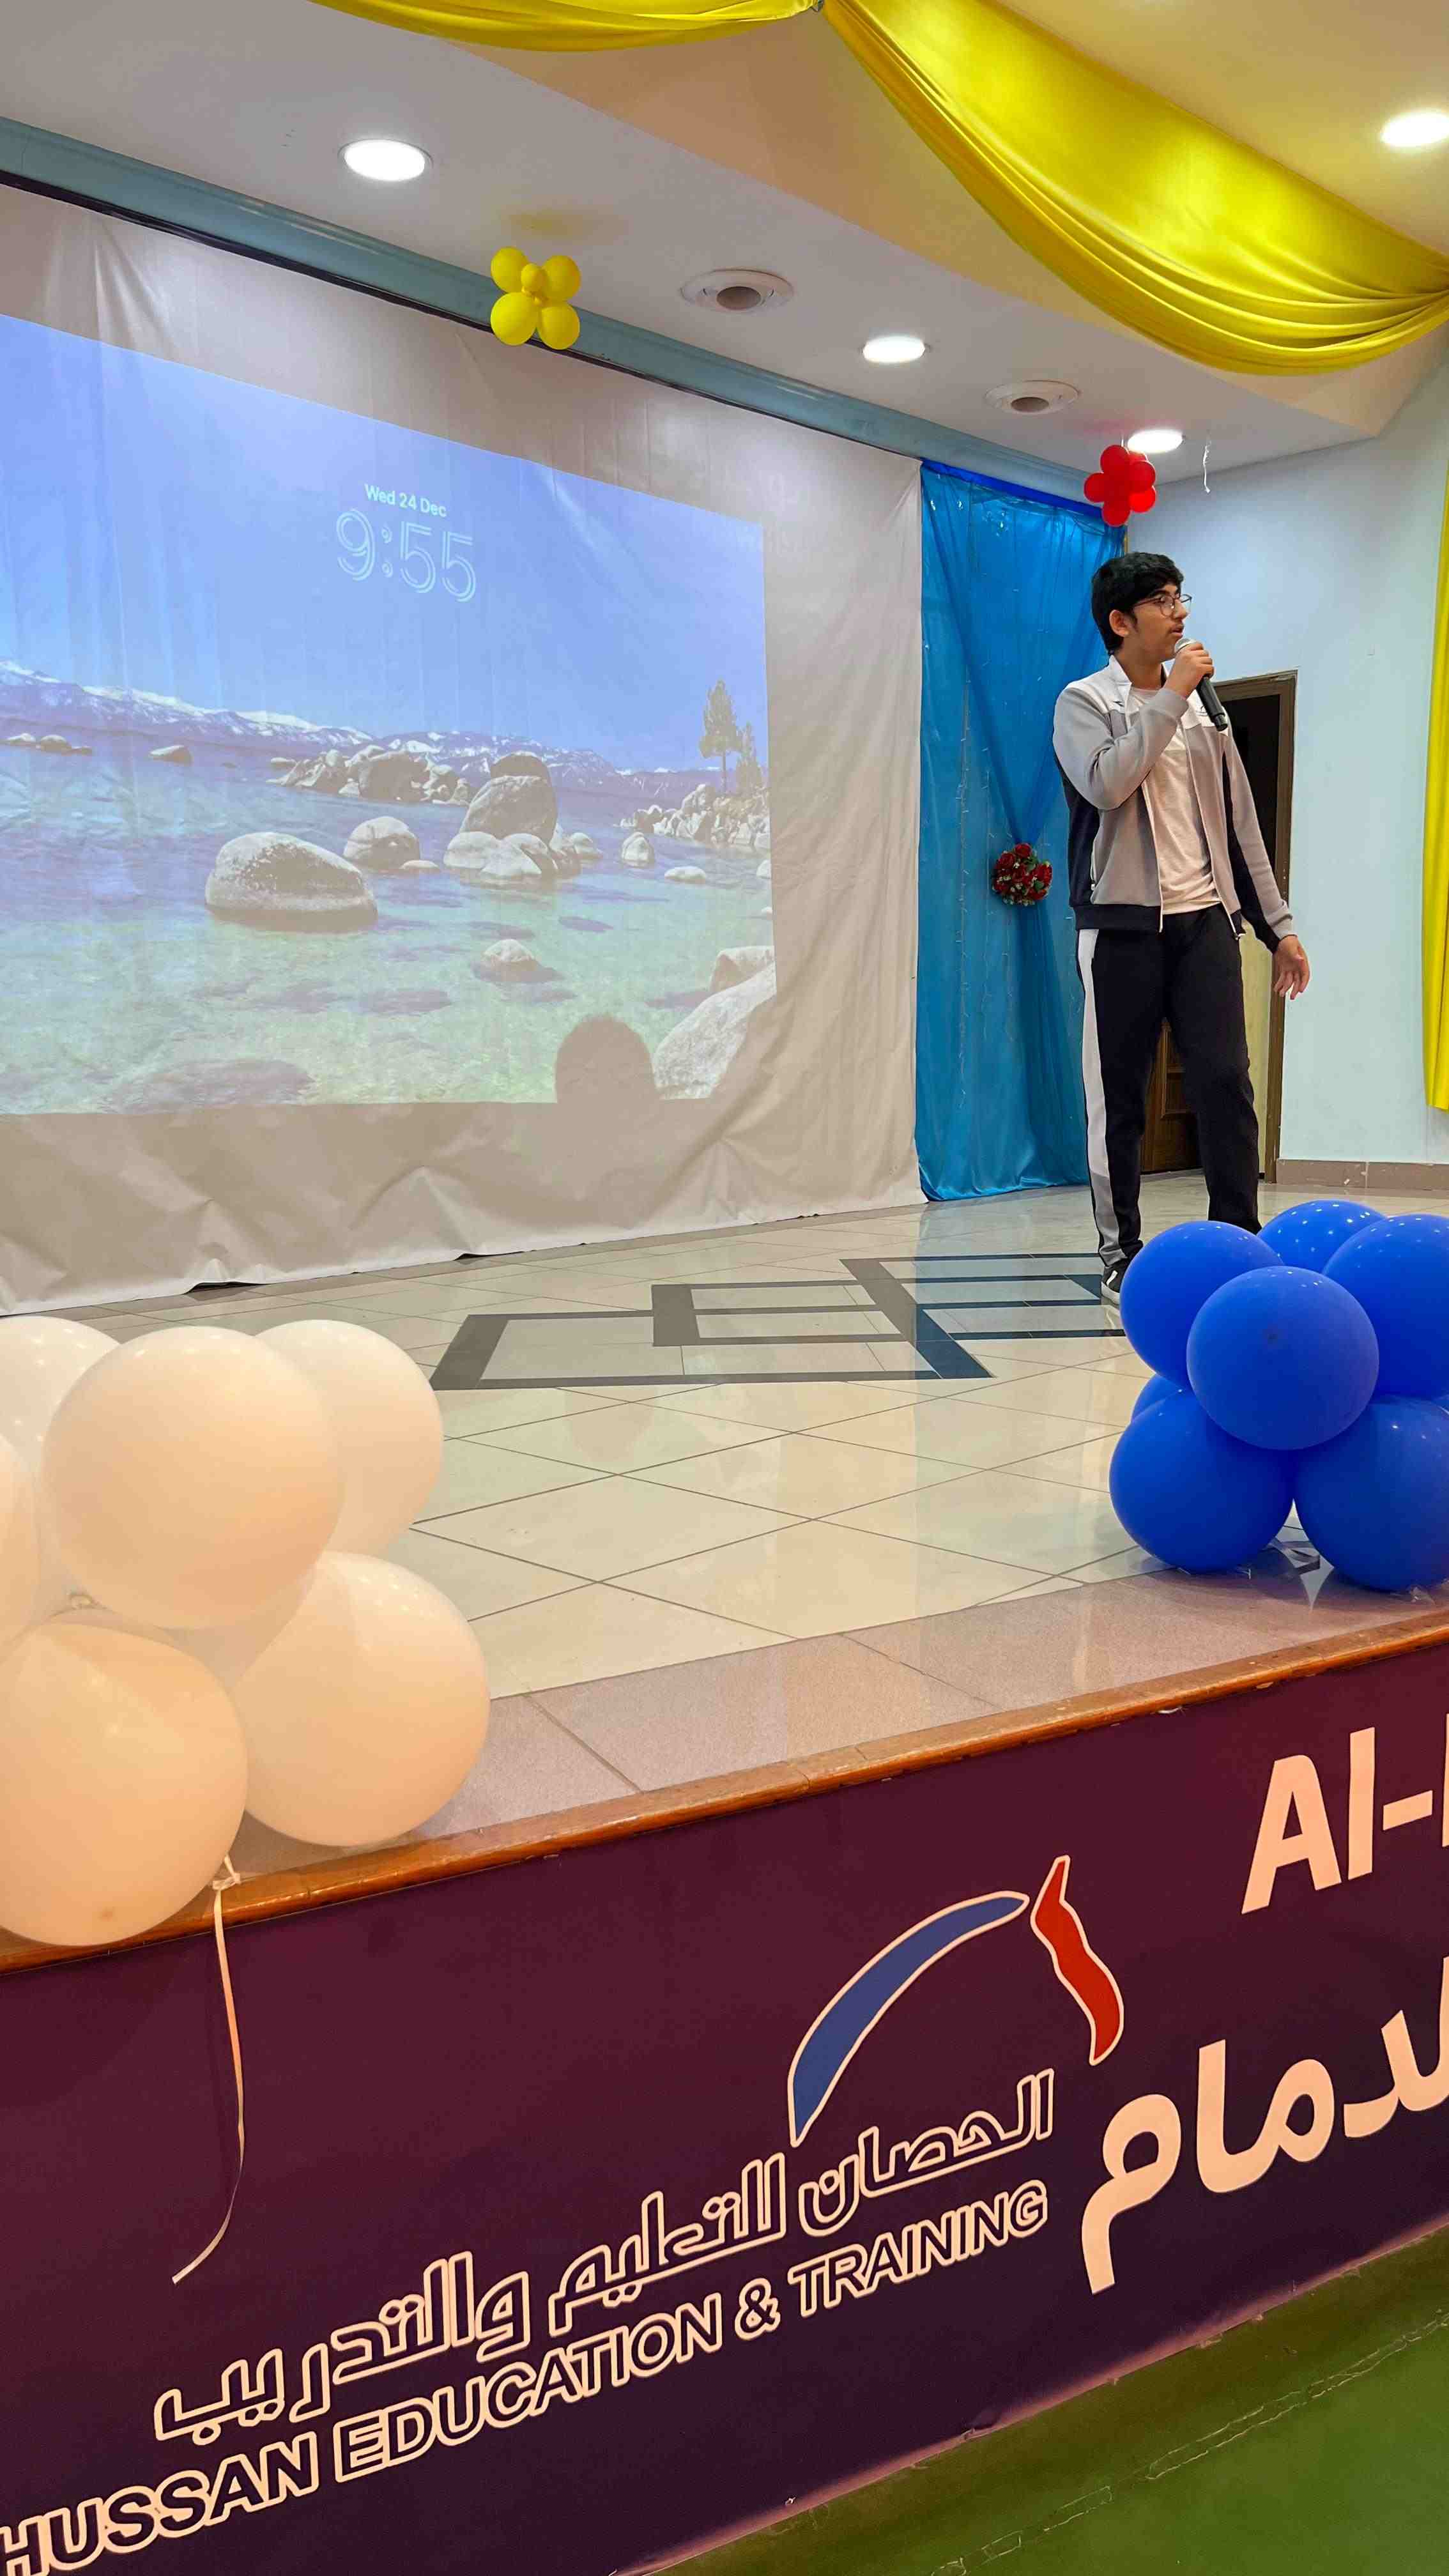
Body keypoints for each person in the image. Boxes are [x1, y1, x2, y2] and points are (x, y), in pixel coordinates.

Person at [1053, 554, 1310, 1319]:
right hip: (1121, 927)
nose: (1181, 613)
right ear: (1120, 621)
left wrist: (1279, 926)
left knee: (1226, 1082)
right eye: (1163, 602)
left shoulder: (1204, 711)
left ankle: (1239, 1241)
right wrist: (1171, 696)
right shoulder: (1084, 701)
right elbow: (1108, 783)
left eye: (1180, 597)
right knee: (1120, 1098)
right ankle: (1120, 1253)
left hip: (1205, 923)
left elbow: (1241, 827)